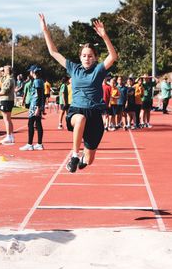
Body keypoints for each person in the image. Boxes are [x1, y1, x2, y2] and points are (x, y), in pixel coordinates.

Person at [39, 13, 118, 173]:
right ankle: (74, 155)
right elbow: (54, 52)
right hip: (77, 110)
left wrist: (104, 36)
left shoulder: (98, 70)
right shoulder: (73, 68)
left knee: (89, 160)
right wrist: (45, 31)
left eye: (90, 56)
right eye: (84, 55)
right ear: (80, 57)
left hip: (95, 115)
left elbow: (113, 56)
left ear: (95, 58)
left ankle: (82, 158)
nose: (87, 58)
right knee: (80, 119)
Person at [20, 65, 44, 151]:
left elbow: (38, 94)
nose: (29, 73)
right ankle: (39, 144)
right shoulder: (40, 81)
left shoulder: (36, 81)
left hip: (34, 105)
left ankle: (29, 144)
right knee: (38, 123)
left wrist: (37, 107)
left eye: (30, 71)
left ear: (33, 72)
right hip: (37, 105)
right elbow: (41, 95)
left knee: (31, 124)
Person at [0, 65, 15, 144]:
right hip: (8, 100)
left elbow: (4, 92)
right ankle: (11, 136)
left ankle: (8, 136)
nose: (3, 72)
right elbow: (0, 79)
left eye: (4, 70)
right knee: (8, 119)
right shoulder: (9, 79)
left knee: (6, 119)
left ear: (7, 71)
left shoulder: (9, 80)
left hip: (6, 100)